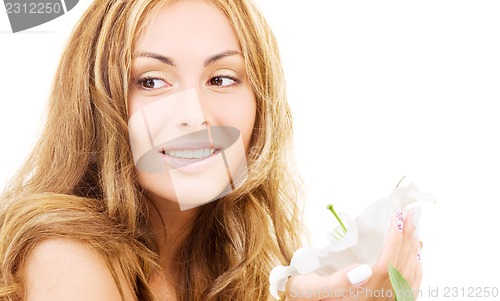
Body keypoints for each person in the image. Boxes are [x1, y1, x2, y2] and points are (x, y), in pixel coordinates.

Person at [0, 0, 422, 300]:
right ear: (94, 103)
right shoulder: (61, 251)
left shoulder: (239, 266)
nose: (194, 116)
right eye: (151, 81)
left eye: (221, 79)